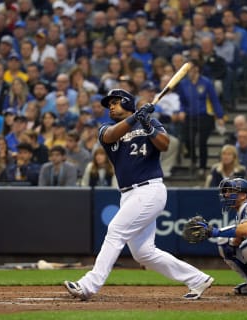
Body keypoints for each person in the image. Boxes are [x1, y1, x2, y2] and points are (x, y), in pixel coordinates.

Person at [64, 89, 214, 301]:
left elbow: (164, 144)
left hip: (149, 189)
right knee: (143, 253)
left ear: (127, 102)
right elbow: (110, 136)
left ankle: (88, 285)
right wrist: (137, 116)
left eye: (116, 102)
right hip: (128, 194)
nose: (111, 106)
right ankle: (197, 279)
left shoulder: (149, 123)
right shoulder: (106, 128)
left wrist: (147, 124)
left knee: (115, 231)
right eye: (110, 104)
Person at [175, 60, 225, 176]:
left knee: (202, 142)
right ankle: (193, 160)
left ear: (197, 69)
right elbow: (181, 100)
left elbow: (214, 100)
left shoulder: (206, 83)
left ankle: (202, 166)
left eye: (191, 69)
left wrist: (219, 116)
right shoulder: (183, 84)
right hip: (189, 116)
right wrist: (181, 111)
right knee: (188, 139)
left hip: (204, 116)